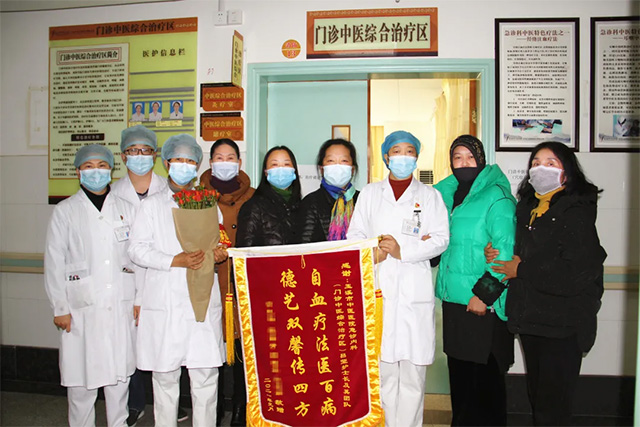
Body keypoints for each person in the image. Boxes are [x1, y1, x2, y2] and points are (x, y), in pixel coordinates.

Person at [487, 141, 607, 426]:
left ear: (567, 171)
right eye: (536, 163)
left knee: (553, 408)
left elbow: (576, 273)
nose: (541, 168)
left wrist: (521, 269)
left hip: (562, 326)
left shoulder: (576, 211)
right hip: (531, 321)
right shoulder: (527, 209)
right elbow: (521, 253)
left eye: (551, 163)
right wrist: (496, 252)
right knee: (538, 400)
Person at [346, 130, 449, 427]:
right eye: (396, 151)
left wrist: (405, 250)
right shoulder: (369, 194)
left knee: (414, 376)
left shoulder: (430, 196)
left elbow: (441, 239)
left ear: (416, 157)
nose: (403, 157)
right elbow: (355, 236)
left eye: (409, 151)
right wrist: (373, 251)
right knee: (384, 373)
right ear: (386, 157)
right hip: (379, 286)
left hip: (414, 289)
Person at [128, 134, 226, 427]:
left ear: (197, 166)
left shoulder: (209, 203)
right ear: (167, 162)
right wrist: (174, 260)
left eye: (190, 161)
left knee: (206, 377)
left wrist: (219, 253)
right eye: (178, 159)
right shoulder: (151, 206)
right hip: (166, 299)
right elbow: (136, 250)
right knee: (165, 378)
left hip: (202, 300)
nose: (184, 165)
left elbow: (219, 240)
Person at [44, 144, 136, 426]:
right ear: (78, 172)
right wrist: (60, 307)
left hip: (120, 303)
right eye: (88, 166)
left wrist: (139, 299)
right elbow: (54, 261)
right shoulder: (65, 211)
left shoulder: (126, 208)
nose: (96, 172)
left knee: (119, 380)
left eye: (101, 166)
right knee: (81, 384)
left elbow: (135, 257)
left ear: (111, 169)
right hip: (80, 308)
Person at [433, 135, 516, 426]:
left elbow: (505, 250)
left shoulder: (496, 195)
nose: (464, 163)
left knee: (486, 385)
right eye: (457, 157)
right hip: (455, 302)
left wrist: (483, 295)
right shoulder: (445, 195)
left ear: (481, 160)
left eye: (470, 157)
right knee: (461, 383)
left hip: (483, 305)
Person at [111, 125, 172, 425]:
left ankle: (168, 402)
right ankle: (136, 403)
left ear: (155, 155)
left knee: (164, 341)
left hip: (162, 277)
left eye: (145, 150)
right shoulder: (113, 195)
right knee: (130, 345)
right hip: (125, 280)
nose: (139, 155)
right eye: (132, 150)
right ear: (123, 156)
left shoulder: (167, 190)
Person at [199, 138, 255, 426]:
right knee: (211, 349)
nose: (225, 162)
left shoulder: (254, 196)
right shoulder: (196, 198)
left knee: (244, 350)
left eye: (230, 157)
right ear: (210, 163)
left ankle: (241, 411)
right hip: (209, 284)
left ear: (239, 162)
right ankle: (216, 409)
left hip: (244, 285)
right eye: (219, 157)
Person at [236, 145, 302, 248]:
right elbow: (245, 250)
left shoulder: (302, 206)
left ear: (294, 170)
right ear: (266, 172)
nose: (281, 169)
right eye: (274, 164)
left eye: (286, 164)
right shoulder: (254, 206)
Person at [298, 138, 359, 243]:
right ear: (322, 168)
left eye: (344, 161)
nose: (337, 166)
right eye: (331, 161)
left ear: (352, 169)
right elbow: (303, 245)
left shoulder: (363, 200)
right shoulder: (310, 202)